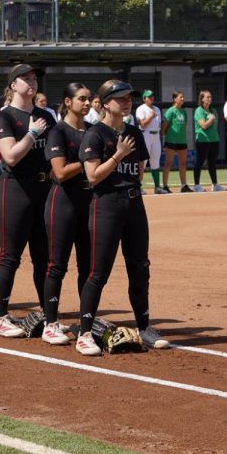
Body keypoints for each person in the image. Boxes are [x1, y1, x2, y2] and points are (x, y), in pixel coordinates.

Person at [76, 80, 170, 355]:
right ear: (106, 103)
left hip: (134, 204)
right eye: (120, 98)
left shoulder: (134, 133)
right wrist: (117, 156)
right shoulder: (94, 135)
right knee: (98, 272)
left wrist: (123, 165)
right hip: (106, 205)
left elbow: (139, 173)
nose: (127, 102)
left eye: (130, 97)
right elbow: (92, 177)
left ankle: (143, 328)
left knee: (140, 267)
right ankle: (84, 334)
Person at [0, 64, 55, 337]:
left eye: (34, 78)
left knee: (44, 258)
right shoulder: (4, 117)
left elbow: (55, 154)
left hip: (44, 189)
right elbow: (11, 156)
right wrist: (32, 134)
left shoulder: (46, 115)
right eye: (25, 78)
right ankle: (0, 317)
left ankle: (48, 317)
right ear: (12, 85)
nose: (32, 82)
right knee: (10, 256)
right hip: (16, 189)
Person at [41, 83, 94, 345]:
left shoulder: (93, 131)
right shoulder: (58, 131)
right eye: (81, 99)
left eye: (89, 99)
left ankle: (87, 321)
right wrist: (88, 162)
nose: (86, 103)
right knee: (57, 265)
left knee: (88, 266)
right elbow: (60, 173)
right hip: (63, 202)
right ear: (68, 101)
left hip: (89, 203)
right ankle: (50, 322)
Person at [135, 90, 165, 194]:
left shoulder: (157, 109)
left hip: (156, 136)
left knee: (155, 161)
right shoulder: (141, 109)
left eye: (152, 96)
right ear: (144, 99)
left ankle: (157, 187)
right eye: (148, 96)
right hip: (145, 134)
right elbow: (142, 124)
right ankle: (138, 186)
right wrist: (151, 116)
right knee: (142, 161)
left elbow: (159, 124)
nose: (151, 98)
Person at [192, 90, 222, 192]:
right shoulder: (199, 111)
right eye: (207, 97)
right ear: (202, 99)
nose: (209, 98)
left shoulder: (213, 110)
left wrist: (211, 119)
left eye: (210, 97)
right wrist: (210, 119)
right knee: (200, 162)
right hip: (202, 140)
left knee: (212, 163)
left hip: (214, 140)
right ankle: (196, 185)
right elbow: (203, 126)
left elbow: (215, 127)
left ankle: (215, 184)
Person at [161, 91, 191, 193]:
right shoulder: (170, 111)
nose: (182, 99)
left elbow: (184, 125)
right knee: (168, 164)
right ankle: (165, 186)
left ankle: (184, 186)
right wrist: (168, 136)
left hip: (182, 141)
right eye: (180, 97)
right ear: (174, 99)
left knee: (182, 164)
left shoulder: (184, 111)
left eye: (183, 97)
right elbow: (164, 126)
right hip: (171, 140)